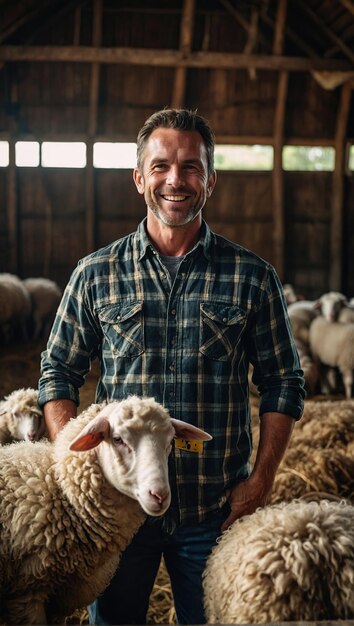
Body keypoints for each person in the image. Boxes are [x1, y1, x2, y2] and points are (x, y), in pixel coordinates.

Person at [38, 108, 305, 625]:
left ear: (210, 179)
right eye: (160, 166)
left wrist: (261, 481)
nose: (175, 180)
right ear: (140, 178)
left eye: (190, 167)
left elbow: (282, 381)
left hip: (215, 509)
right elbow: (57, 373)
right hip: (119, 516)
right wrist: (74, 469)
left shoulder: (252, 277)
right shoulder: (96, 274)